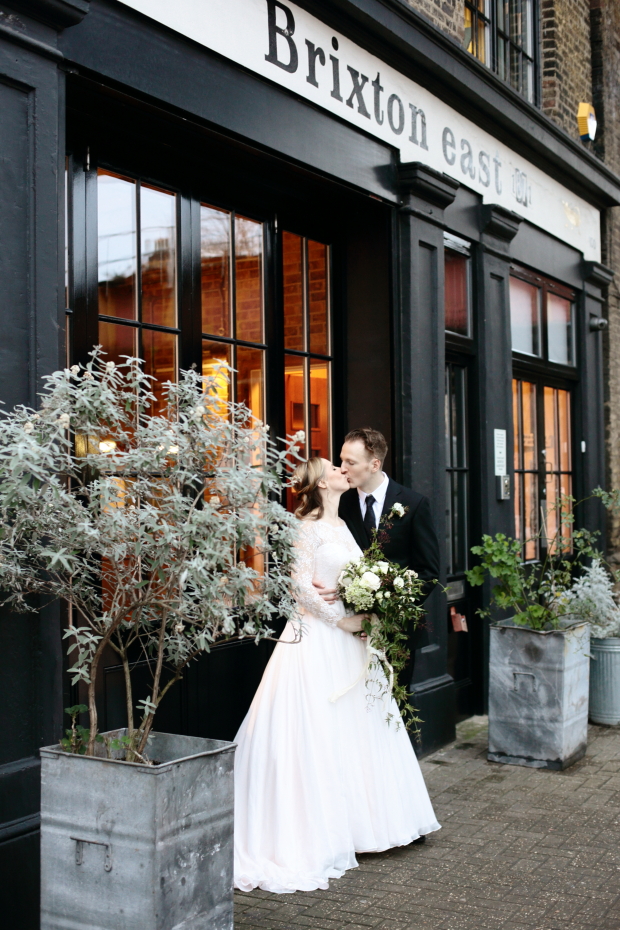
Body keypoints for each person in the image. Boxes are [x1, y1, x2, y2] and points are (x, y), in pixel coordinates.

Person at [233, 457, 440, 895]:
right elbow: (300, 586)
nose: (342, 469)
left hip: (353, 638)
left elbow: (352, 577)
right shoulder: (303, 527)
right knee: (318, 732)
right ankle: (317, 830)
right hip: (317, 640)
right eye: (334, 466)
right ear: (319, 482)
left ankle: (365, 826)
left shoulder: (345, 525)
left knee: (358, 731)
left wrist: (367, 608)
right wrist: (342, 620)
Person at [314, 428, 440, 688]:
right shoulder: (340, 504)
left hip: (397, 632)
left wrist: (386, 617)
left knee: (393, 709)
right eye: (341, 460)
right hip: (349, 631)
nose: (343, 468)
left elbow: (427, 572)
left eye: (351, 462)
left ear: (374, 464)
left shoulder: (414, 504)